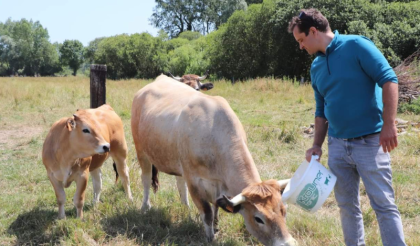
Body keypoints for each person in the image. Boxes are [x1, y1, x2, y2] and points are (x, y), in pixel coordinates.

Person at [287, 8, 406, 246]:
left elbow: (389, 79)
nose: (300, 47)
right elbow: (321, 112)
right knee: (346, 207)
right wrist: (316, 146)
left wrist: (389, 124)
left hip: (370, 142)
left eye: (301, 40)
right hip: (338, 147)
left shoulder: (357, 46)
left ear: (313, 31)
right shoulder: (316, 67)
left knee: (383, 204)